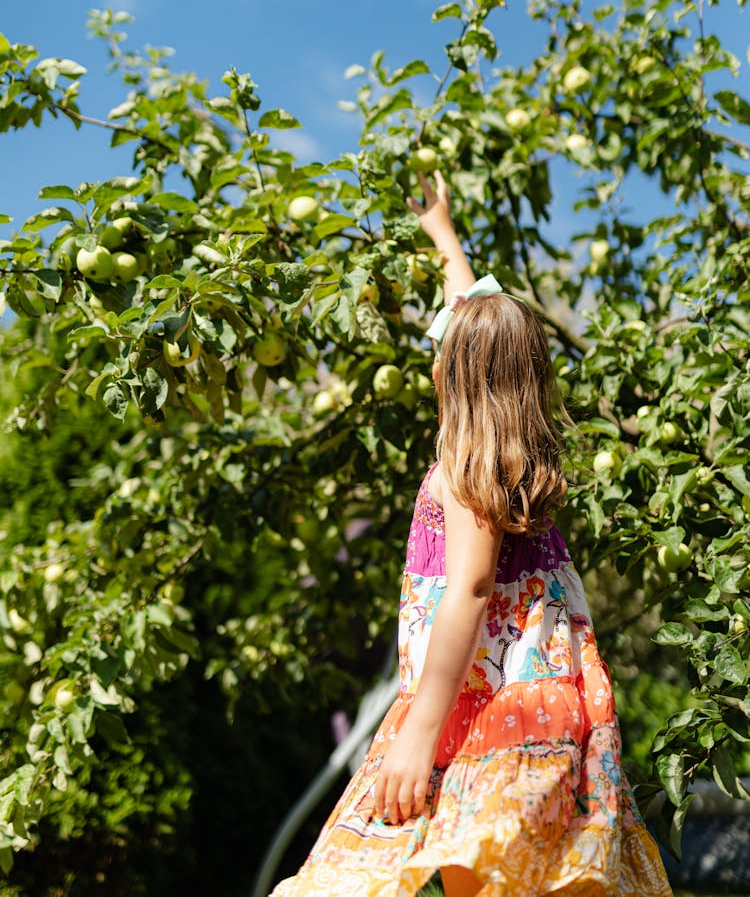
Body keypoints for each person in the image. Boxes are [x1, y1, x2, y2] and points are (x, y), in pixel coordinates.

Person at [270, 172, 673, 897]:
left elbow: (470, 587)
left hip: (478, 703)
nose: (433, 346)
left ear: (451, 375)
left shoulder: (463, 471)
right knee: (501, 864)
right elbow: (473, 310)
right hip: (539, 693)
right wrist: (444, 235)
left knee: (463, 863)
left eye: (443, 345)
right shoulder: (506, 454)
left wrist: (419, 728)